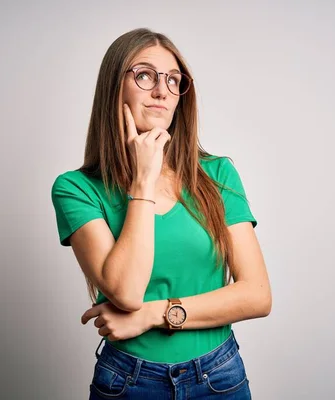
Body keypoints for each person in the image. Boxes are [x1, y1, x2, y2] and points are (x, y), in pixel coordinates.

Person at [51, 27, 272, 399]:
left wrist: (154, 315)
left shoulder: (217, 174)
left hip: (219, 376)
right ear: (113, 87)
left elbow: (257, 295)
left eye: (173, 80)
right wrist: (143, 181)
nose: (162, 91)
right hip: (129, 382)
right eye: (144, 75)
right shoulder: (76, 188)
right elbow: (125, 292)